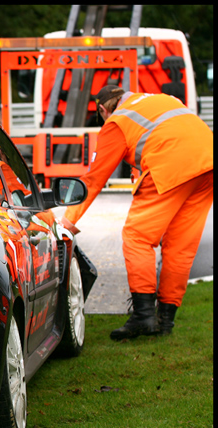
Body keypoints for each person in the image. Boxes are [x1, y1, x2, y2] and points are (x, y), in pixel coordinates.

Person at [60, 86, 213, 340]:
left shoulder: (118, 121)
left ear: (102, 109)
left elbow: (95, 178)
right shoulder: (161, 100)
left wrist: (68, 220)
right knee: (179, 246)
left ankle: (143, 316)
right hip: (207, 162)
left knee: (137, 237)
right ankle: (166, 320)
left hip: (171, 163)